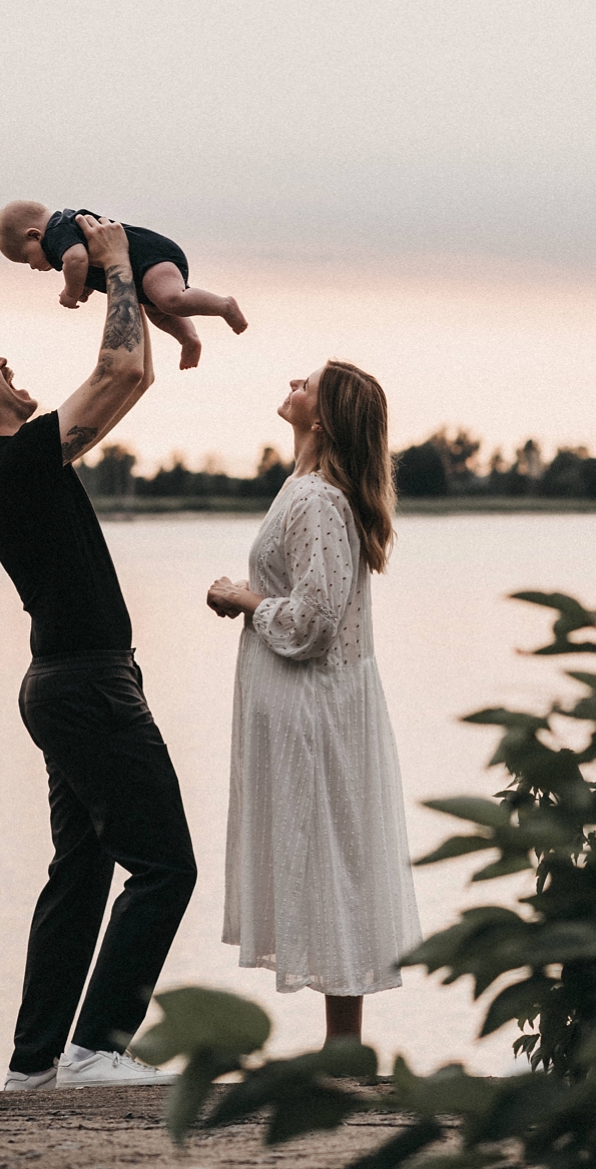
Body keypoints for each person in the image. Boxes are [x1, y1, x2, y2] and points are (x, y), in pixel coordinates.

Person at [0, 215, 196, 1090]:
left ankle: (34, 1067)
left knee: (80, 874)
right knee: (165, 866)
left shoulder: (20, 464)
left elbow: (130, 375)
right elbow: (113, 368)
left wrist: (129, 283)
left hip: (68, 684)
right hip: (85, 688)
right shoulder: (13, 462)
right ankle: (96, 1049)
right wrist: (113, 266)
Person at [207, 360, 422, 1044]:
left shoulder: (318, 499)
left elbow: (315, 620)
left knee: (334, 856)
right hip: (307, 701)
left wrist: (241, 597)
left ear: (322, 419)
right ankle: (341, 1045)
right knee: (325, 855)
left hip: (317, 705)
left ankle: (345, 1047)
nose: (291, 381)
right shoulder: (303, 489)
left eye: (306, 383)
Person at [0, 198, 247, 371]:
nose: (32, 267)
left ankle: (224, 306)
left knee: (170, 299)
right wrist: (87, 284)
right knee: (158, 312)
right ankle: (188, 339)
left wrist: (71, 292)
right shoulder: (65, 234)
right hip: (142, 275)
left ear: (34, 235)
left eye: (26, 258)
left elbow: (77, 258)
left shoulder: (57, 231)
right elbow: (92, 260)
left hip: (151, 258)